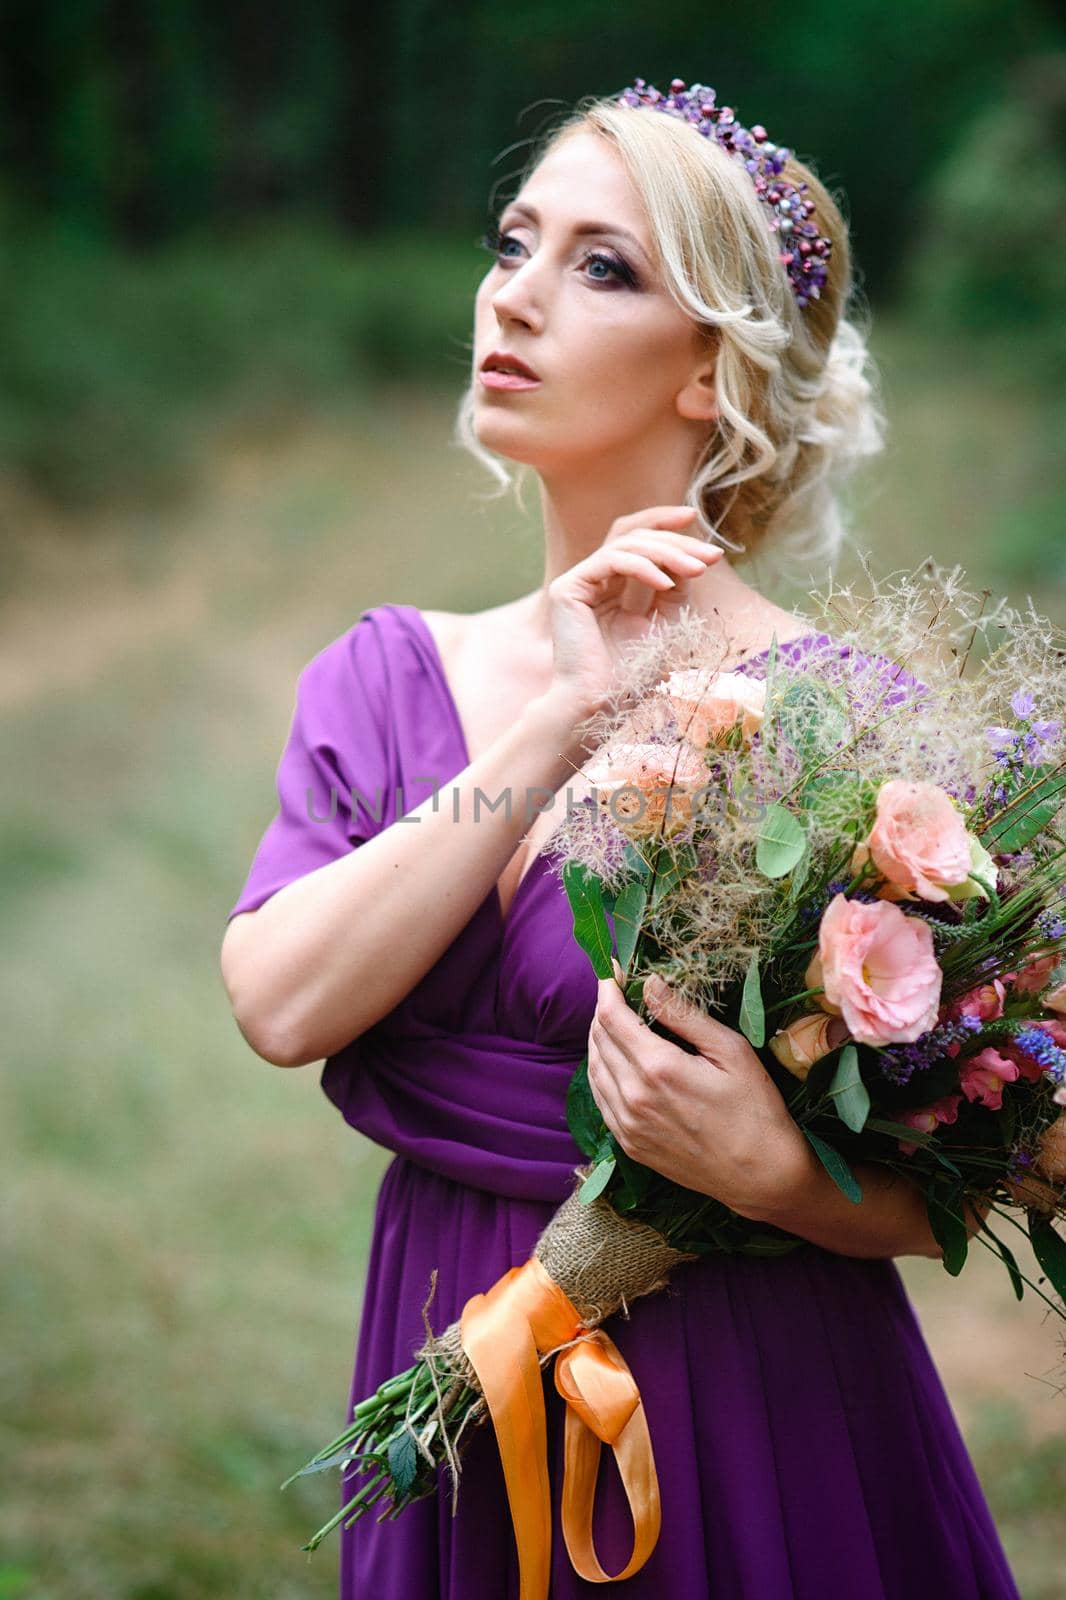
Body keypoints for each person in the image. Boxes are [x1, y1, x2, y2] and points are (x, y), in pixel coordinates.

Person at [220, 77, 1022, 1599]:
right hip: (445, 1340)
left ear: (707, 372)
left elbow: (1005, 1151)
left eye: (599, 267)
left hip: (752, 1385)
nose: (512, 296)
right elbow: (279, 1002)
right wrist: (544, 731)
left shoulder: (856, 742)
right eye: (513, 241)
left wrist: (780, 1180)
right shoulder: (389, 674)